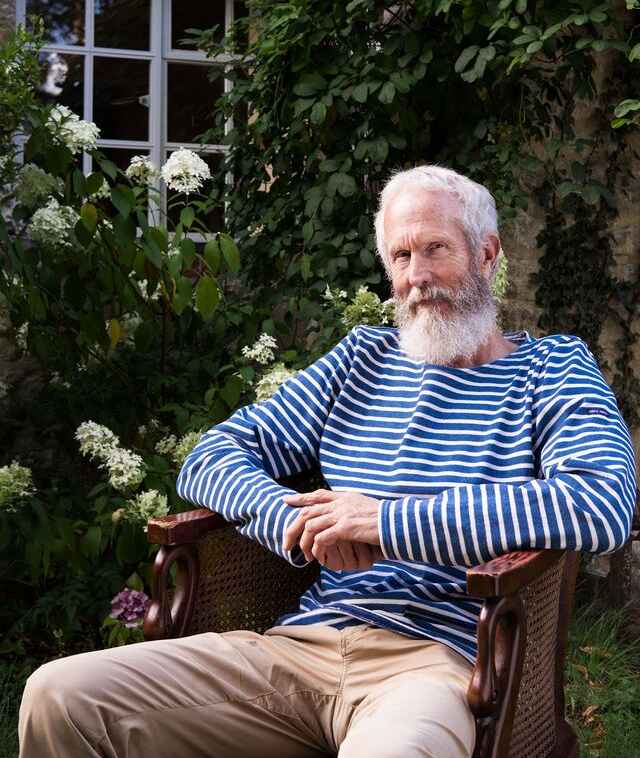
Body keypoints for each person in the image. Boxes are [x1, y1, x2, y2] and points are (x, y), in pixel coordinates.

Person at [20, 165, 636, 758]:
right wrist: (298, 523)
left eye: (435, 249)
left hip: (437, 663)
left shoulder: (552, 369)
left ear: (487, 254)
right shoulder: (362, 360)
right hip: (301, 647)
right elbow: (209, 457)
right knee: (60, 696)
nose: (417, 276)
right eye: (400, 257)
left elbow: (602, 499)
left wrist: (385, 522)